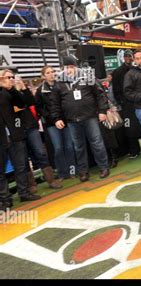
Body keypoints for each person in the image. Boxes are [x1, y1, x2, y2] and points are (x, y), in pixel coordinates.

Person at [50, 56, 110, 182]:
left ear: (76, 67)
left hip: (90, 117)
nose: (69, 70)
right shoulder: (59, 83)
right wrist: (56, 118)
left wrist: (102, 111)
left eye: (71, 67)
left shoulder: (87, 77)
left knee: (97, 143)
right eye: (67, 67)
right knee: (78, 147)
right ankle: (83, 171)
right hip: (72, 120)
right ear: (63, 68)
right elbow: (54, 102)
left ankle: (104, 167)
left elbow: (99, 94)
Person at [0, 69, 41, 210]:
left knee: (21, 166)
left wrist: (11, 89)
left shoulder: (10, 92)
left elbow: (22, 103)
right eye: (7, 77)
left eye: (12, 77)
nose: (10, 79)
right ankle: (6, 200)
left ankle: (23, 193)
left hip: (15, 134)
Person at [35, 66, 77, 182]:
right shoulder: (40, 90)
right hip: (51, 123)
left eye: (53, 71)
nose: (51, 74)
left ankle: (73, 171)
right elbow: (38, 107)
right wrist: (50, 117)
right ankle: (62, 173)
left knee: (69, 146)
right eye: (48, 72)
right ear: (43, 76)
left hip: (66, 120)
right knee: (58, 148)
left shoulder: (62, 85)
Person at [111, 49, 141, 159]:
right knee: (129, 129)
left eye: (130, 56)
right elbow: (115, 90)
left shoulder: (138, 69)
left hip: (139, 102)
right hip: (127, 106)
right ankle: (134, 151)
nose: (128, 58)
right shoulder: (117, 72)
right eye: (126, 56)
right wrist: (122, 102)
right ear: (123, 58)